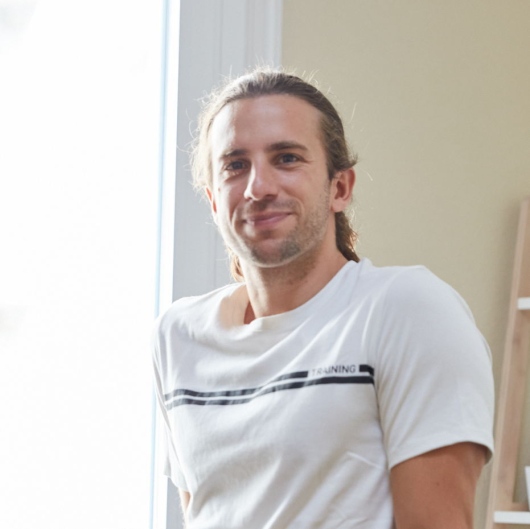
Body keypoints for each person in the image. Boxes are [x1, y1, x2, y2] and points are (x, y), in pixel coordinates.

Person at [152, 68, 494, 529]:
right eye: (235, 165)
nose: (258, 188)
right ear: (214, 201)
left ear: (340, 188)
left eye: (287, 158)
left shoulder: (408, 310)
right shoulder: (177, 336)